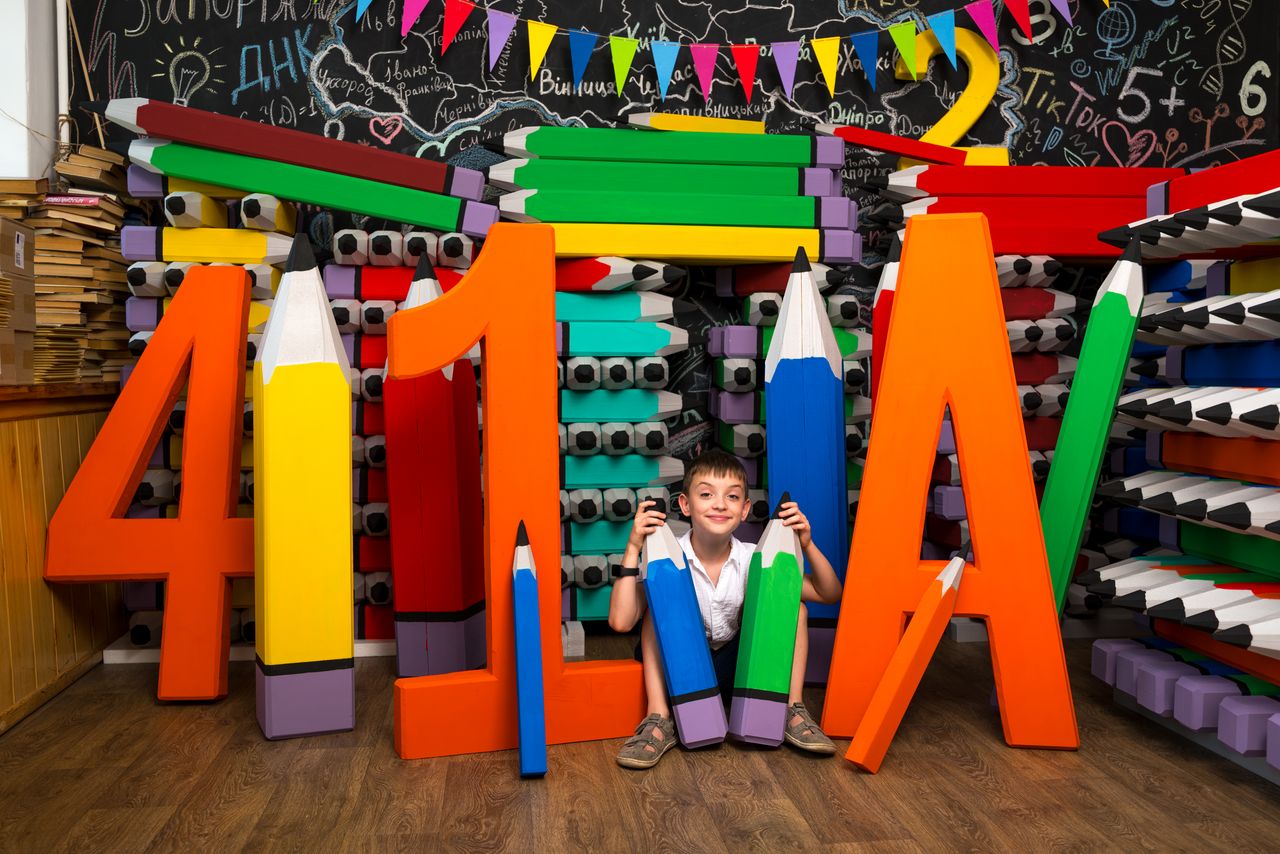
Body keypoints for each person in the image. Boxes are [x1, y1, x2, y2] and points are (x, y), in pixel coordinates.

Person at [607, 448, 843, 769]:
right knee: (655, 613)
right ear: (685, 505)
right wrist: (634, 546)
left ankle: (791, 708)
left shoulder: (753, 557)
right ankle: (659, 717)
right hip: (679, 670)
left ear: (744, 510)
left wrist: (807, 544)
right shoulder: (667, 557)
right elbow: (621, 621)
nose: (719, 504)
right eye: (706, 494)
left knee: (796, 608)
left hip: (737, 667)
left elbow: (828, 593)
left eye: (731, 497)